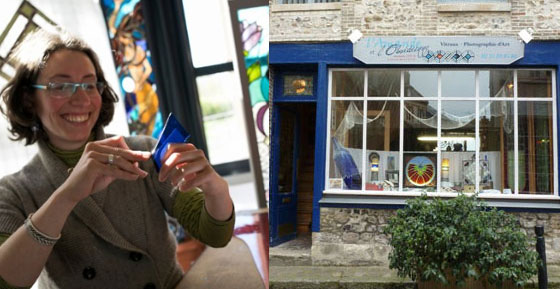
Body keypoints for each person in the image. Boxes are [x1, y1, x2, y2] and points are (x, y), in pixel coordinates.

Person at [0, 29, 234, 288]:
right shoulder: (12, 192)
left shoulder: (143, 151)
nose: (81, 98)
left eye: (90, 84)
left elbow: (214, 233)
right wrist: (67, 195)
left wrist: (216, 190)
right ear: (28, 99)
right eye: (62, 86)